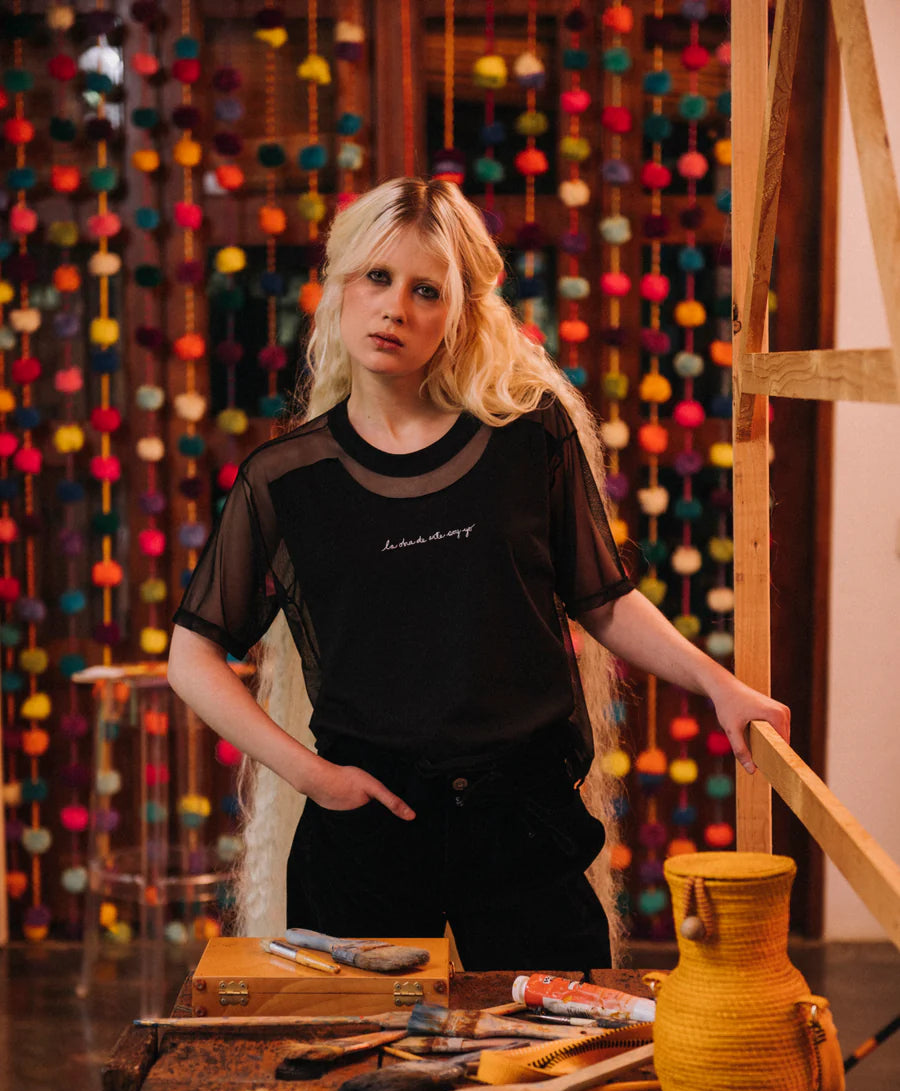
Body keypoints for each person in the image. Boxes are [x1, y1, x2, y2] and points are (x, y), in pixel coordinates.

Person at [168, 175, 789, 971]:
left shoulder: (528, 437)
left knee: (560, 1036)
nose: (395, 308)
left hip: (522, 820)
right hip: (366, 831)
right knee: (358, 1051)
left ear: (460, 312)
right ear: (338, 287)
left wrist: (719, 685)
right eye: (377, 277)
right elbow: (191, 655)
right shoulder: (286, 478)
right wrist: (314, 778)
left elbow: (603, 599)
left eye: (426, 290)